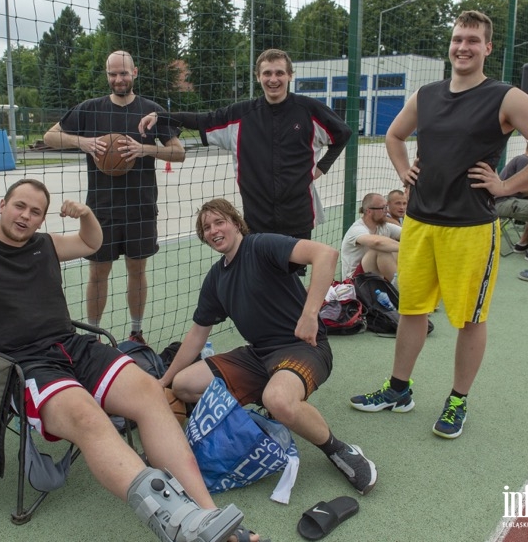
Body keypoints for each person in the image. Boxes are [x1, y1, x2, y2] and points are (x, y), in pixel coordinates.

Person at [0, 180, 261, 542]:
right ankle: (176, 520)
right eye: (20, 206)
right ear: (2, 205)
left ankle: (208, 517)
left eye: (36, 212)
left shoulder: (44, 244)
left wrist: (85, 213)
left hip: (72, 348)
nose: (26, 216)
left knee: (148, 392)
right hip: (19, 367)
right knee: (87, 417)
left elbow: (91, 240)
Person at [349, 10, 528, 439]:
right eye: (457, 39)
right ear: (449, 45)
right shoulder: (427, 95)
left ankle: (457, 400)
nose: (463, 47)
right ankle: (399, 389)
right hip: (419, 224)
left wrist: (507, 185)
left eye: (473, 40)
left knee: (469, 319)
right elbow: (394, 137)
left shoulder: (504, 97)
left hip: (470, 228)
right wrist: (403, 173)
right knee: (412, 309)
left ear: (488, 48)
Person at [161, 198, 377, 496]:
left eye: (219, 222)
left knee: (278, 400)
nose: (213, 230)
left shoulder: (260, 246)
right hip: (259, 354)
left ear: (236, 223)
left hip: (303, 347)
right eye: (206, 227)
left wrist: (310, 313)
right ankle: (257, 414)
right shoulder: (215, 278)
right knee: (184, 385)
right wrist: (164, 380)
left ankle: (338, 449)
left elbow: (325, 255)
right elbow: (197, 335)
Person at [43, 51, 184, 344]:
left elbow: (179, 152)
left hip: (141, 205)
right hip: (100, 209)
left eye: (123, 73)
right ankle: (92, 336)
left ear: (135, 72)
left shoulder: (151, 110)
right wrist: (82, 142)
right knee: (98, 272)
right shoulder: (90, 109)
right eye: (112, 74)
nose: (118, 79)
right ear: (107, 75)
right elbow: (50, 137)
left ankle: (136, 332)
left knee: (137, 269)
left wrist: (145, 149)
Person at [138, 49, 351, 241]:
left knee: (292, 281)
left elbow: (343, 134)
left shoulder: (309, 110)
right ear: (258, 77)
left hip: (298, 219)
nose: (273, 79)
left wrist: (321, 168)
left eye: (279, 73)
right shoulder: (239, 116)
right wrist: (161, 116)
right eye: (267, 73)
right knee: (260, 280)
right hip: (257, 222)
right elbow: (203, 120)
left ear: (289, 76)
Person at [340, 193, 401, 281]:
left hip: (374, 278)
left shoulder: (384, 227)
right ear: (369, 211)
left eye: (386, 207)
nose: (386, 211)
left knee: (396, 250)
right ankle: (402, 289)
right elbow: (376, 242)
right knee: (379, 249)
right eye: (382, 208)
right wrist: (405, 247)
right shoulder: (356, 229)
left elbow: (408, 235)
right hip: (355, 283)